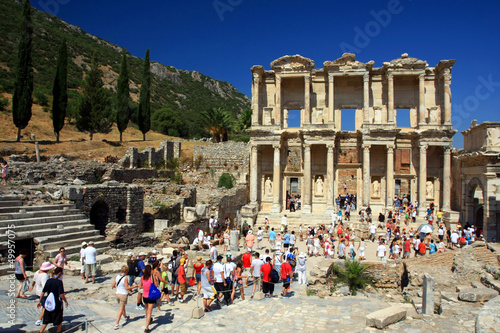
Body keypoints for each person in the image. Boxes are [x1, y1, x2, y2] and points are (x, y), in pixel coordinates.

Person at [38, 267, 68, 333]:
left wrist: (40, 301)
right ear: (59, 273)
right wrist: (65, 301)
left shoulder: (49, 281)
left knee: (45, 320)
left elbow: (43, 292)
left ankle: (41, 332)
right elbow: (61, 294)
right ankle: (58, 331)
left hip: (49, 303)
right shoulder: (59, 282)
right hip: (57, 303)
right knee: (59, 320)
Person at [111, 265, 137, 330]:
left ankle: (125, 317)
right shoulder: (125, 278)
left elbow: (113, 285)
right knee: (121, 309)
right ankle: (116, 324)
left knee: (122, 307)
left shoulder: (117, 276)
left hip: (117, 294)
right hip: (123, 294)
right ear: (126, 271)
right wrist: (135, 286)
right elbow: (127, 287)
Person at [30, 262, 55, 326]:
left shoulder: (37, 272)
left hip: (38, 292)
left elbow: (34, 280)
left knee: (45, 306)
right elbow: (45, 286)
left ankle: (48, 317)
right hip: (44, 293)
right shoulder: (44, 275)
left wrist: (32, 286)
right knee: (45, 307)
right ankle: (39, 320)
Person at [140, 265, 158, 333]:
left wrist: (145, 287)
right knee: (150, 312)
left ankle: (148, 320)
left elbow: (140, 286)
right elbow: (156, 285)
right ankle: (146, 328)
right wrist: (155, 278)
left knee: (147, 309)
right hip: (151, 296)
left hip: (144, 296)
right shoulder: (152, 277)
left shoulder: (142, 277)